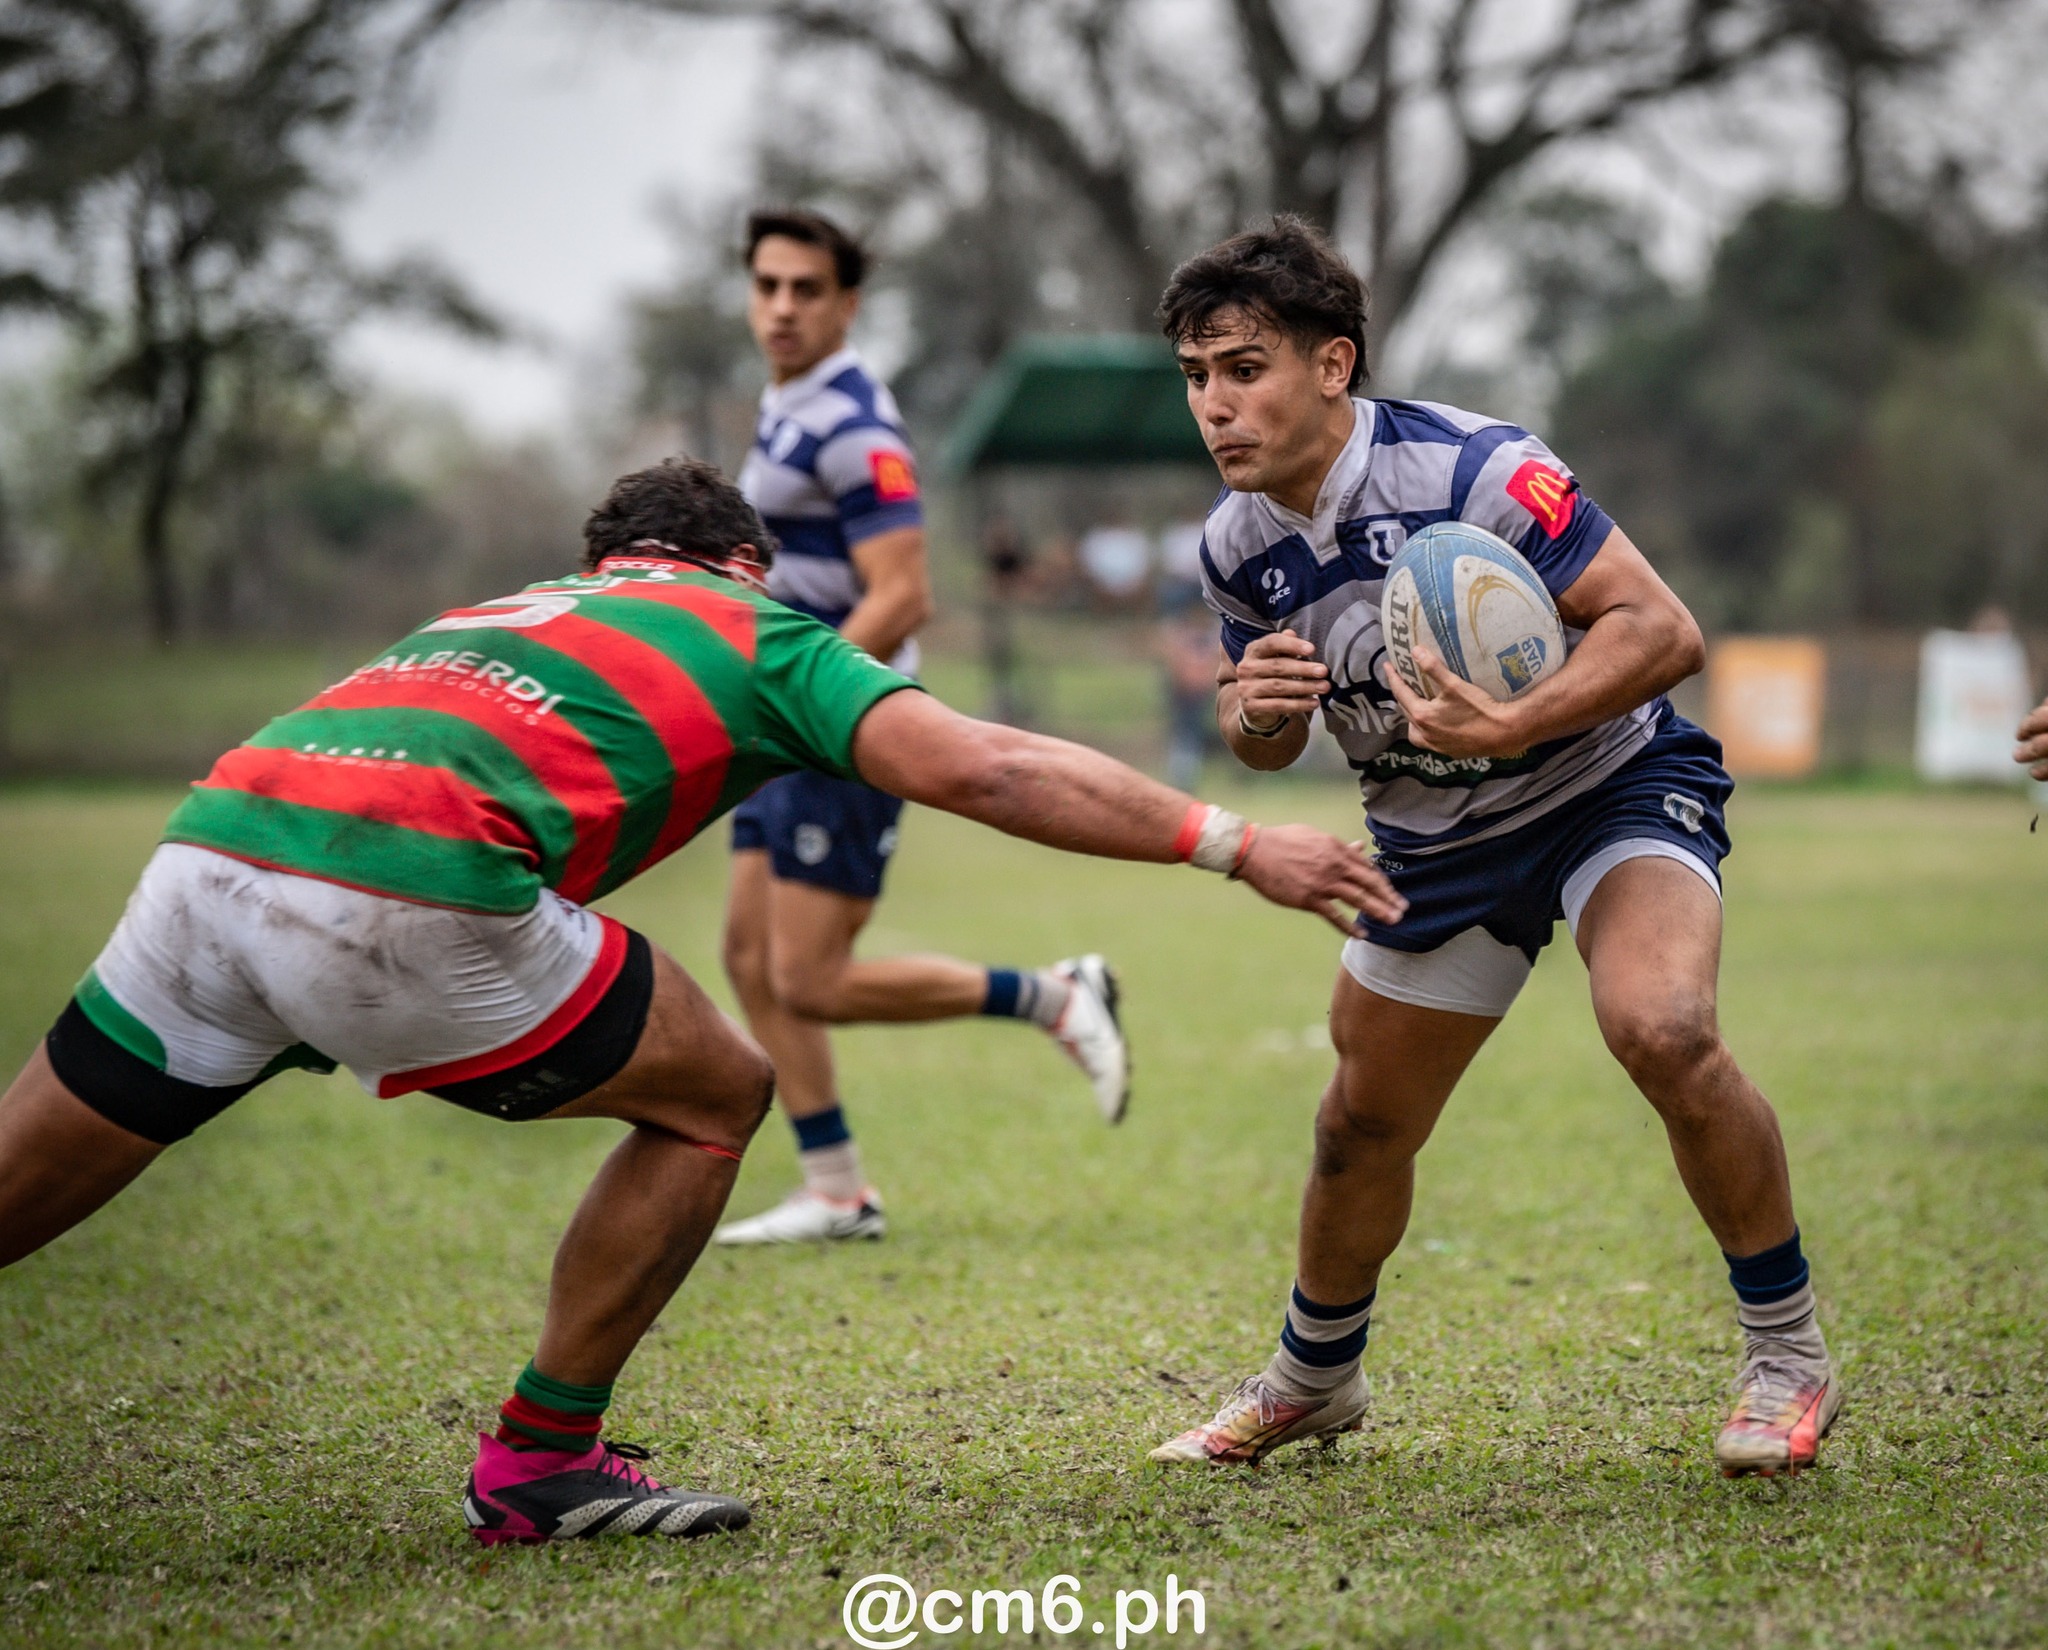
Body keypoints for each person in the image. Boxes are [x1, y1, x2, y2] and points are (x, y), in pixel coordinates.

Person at [0, 457, 1401, 1546]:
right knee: (718, 1091)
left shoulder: (498, 609)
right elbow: (986, 767)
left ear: (603, 559)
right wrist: (1236, 839)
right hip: (411, 874)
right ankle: (543, 1459)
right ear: (743, 563)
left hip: (216, 837)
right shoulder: (757, 624)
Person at [1144, 217, 1838, 1480]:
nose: (1215, 405)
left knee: (1661, 1028)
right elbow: (1259, 741)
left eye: (1242, 368)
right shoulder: (1234, 546)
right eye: (1196, 378)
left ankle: (1785, 1356)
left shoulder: (1476, 469)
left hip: (1606, 786)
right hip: (1429, 842)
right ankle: (1315, 1379)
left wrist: (1514, 717)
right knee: (1358, 1124)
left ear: (1332, 364)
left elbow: (1661, 627)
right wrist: (1252, 716)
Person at [719, 210, 1124, 1247]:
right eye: (767, 285)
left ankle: (1050, 996)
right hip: (786, 725)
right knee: (746, 955)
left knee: (808, 977)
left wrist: (812, 706)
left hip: (838, 722)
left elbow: (901, 597)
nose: (781, 307)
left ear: (847, 303)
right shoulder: (785, 408)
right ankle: (837, 1188)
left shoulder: (853, 424)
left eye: (806, 289)